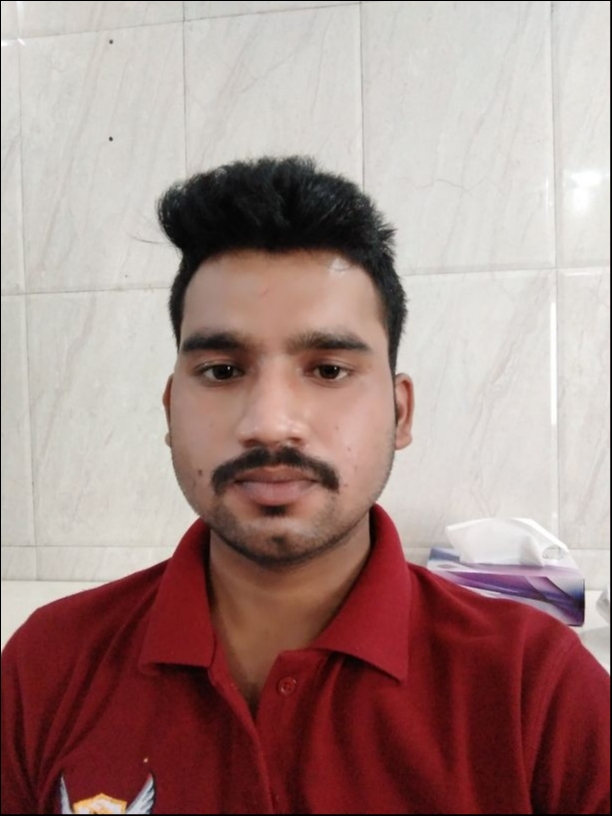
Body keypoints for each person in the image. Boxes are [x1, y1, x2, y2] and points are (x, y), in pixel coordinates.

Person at [1, 156, 609, 816]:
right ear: (171, 409)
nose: (270, 423)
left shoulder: (535, 690)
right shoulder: (46, 665)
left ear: (400, 411)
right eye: (223, 370)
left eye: (328, 370)